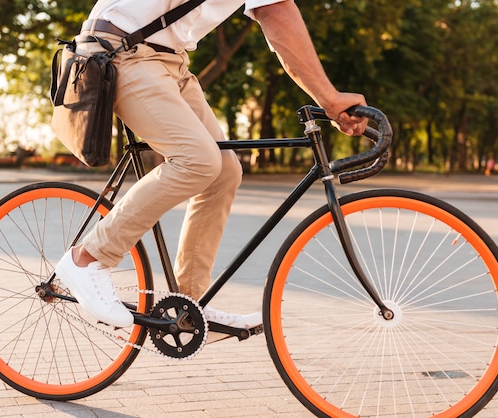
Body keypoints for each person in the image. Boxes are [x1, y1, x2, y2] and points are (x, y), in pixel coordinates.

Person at [55, 0, 368, 329]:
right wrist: (330, 100)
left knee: (224, 170)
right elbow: (276, 13)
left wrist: (329, 99)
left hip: (168, 59)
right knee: (197, 161)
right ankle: (87, 258)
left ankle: (189, 305)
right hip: (120, 49)